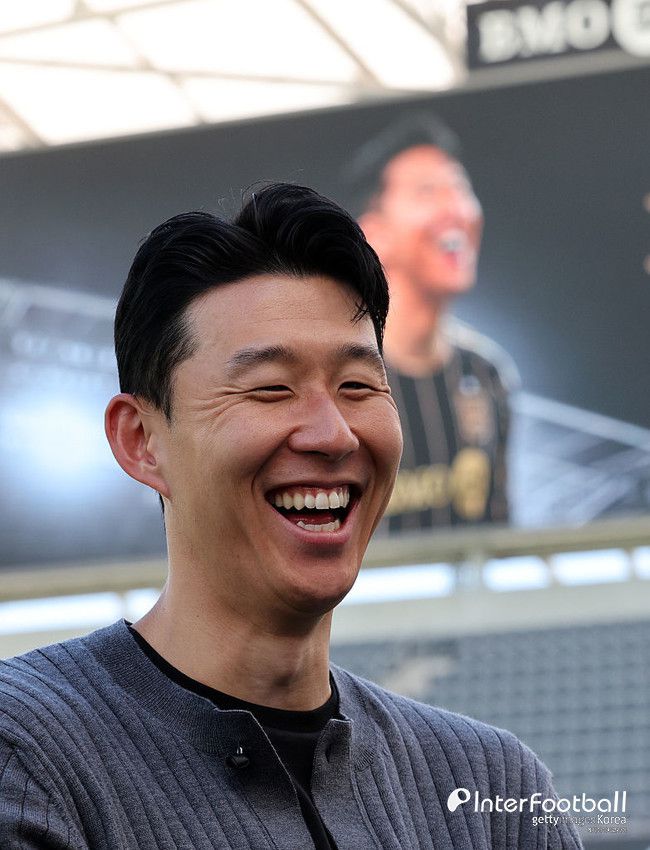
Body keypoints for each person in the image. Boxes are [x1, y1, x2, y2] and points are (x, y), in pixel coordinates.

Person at [0, 184, 580, 849]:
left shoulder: (493, 790)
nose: (333, 434)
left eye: (358, 386)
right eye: (271, 389)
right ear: (142, 441)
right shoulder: (28, 754)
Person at [354, 115, 519, 532]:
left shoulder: (486, 374)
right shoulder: (345, 378)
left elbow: (500, 529)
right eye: (428, 192)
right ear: (375, 233)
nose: (457, 209)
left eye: (460, 189)